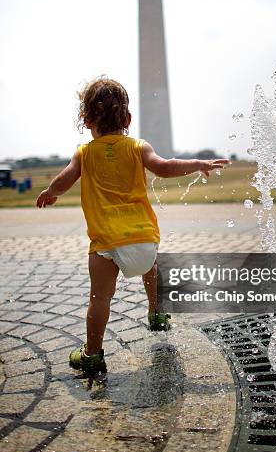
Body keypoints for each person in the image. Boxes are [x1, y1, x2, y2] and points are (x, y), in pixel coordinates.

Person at [36, 77, 228, 375]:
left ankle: (93, 354)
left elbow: (64, 180)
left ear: (87, 120)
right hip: (143, 239)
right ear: (127, 118)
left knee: (99, 299)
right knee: (151, 269)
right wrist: (197, 163)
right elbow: (164, 167)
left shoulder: (84, 154)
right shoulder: (138, 147)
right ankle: (156, 312)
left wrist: (51, 192)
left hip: (106, 243)